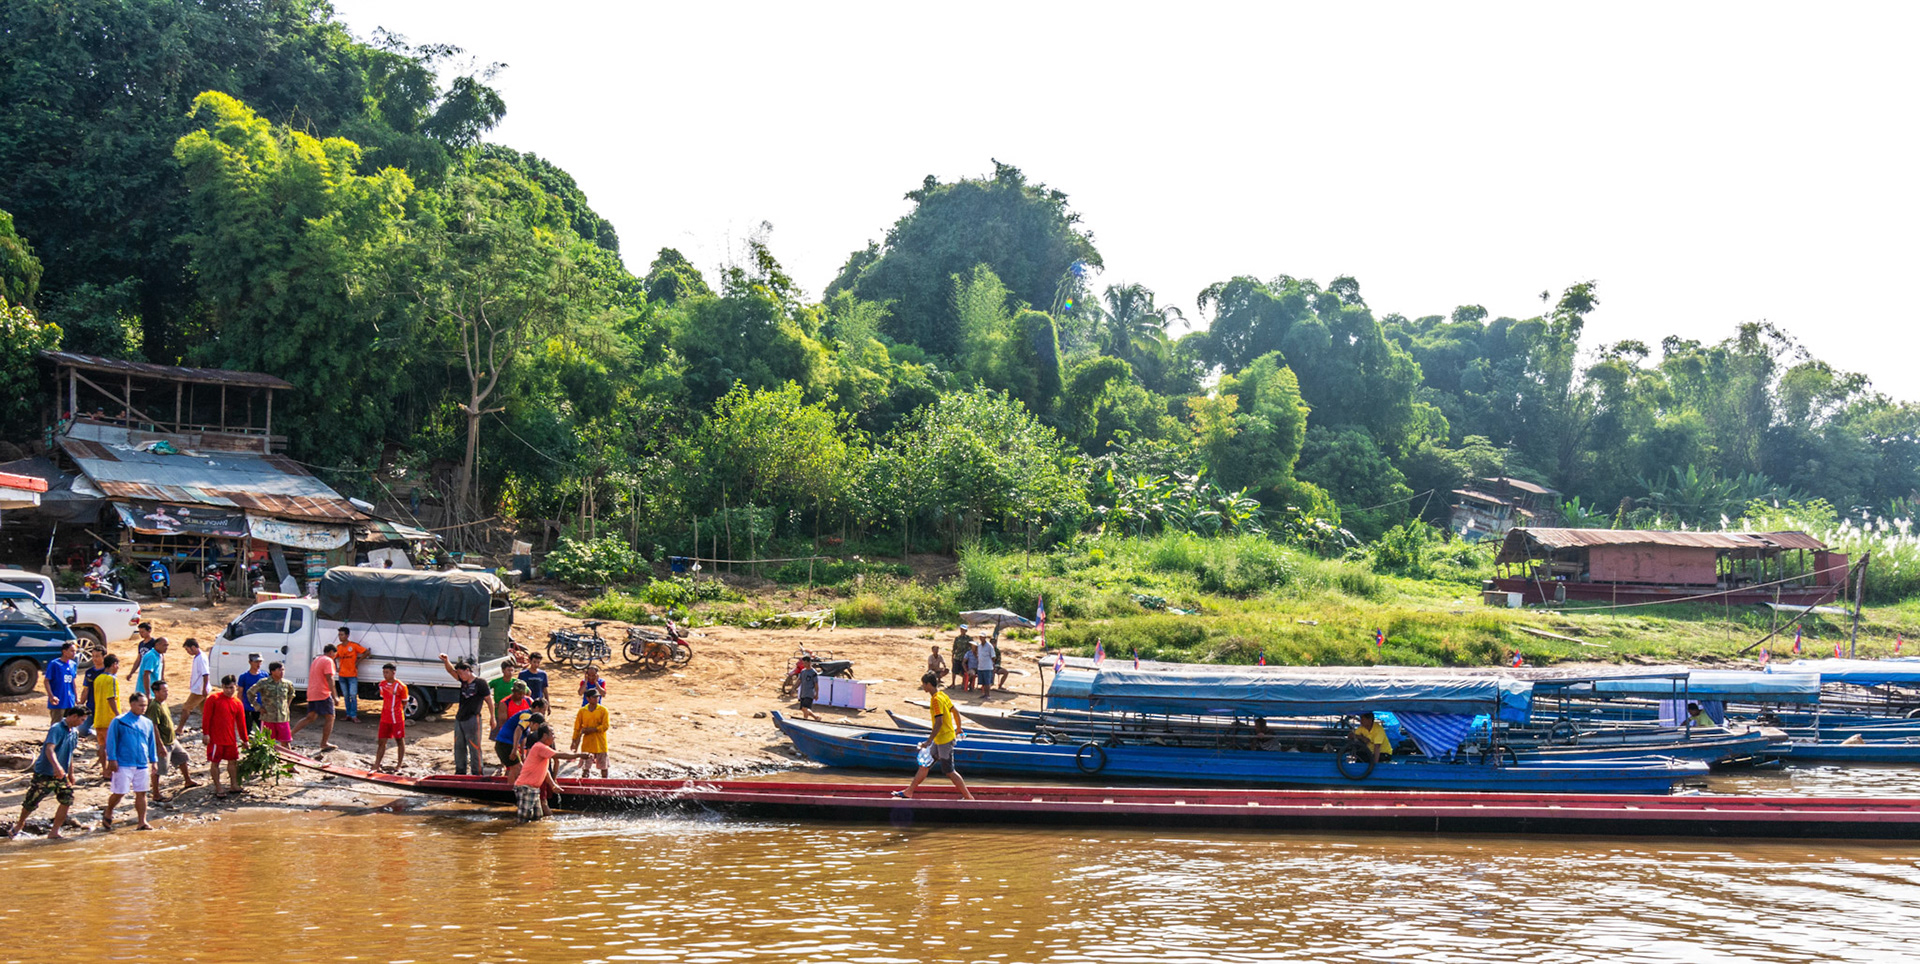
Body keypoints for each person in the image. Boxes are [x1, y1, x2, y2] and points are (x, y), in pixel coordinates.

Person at [8, 706, 86, 840]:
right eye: (82, 720)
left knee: (67, 800)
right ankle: (20, 824)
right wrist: (57, 767)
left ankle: (54, 831)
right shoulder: (57, 728)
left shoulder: (74, 732)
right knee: (31, 801)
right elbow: (49, 750)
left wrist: (70, 773)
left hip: (62, 774)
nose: (82, 723)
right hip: (45, 772)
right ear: (74, 717)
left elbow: (70, 754)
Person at [895, 671, 973, 800]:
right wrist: (958, 728)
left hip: (944, 741)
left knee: (949, 771)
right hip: (939, 740)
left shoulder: (936, 700)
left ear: (929, 684)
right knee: (924, 765)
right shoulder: (942, 695)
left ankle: (969, 798)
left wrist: (928, 741)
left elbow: (939, 722)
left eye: (924, 684)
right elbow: (955, 712)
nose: (923, 687)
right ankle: (909, 792)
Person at [103, 691, 158, 831]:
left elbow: (151, 743)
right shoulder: (119, 721)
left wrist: (154, 761)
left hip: (142, 763)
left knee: (142, 792)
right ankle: (109, 810)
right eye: (140, 705)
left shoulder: (147, 723)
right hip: (123, 763)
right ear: (132, 704)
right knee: (120, 792)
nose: (143, 708)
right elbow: (111, 741)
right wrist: (112, 759)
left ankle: (142, 822)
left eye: (145, 705)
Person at [514, 724, 591, 823]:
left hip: (533, 789)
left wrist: (553, 784)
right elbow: (559, 755)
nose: (554, 737)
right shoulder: (539, 747)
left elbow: (544, 771)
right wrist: (580, 755)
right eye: (552, 734)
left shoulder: (542, 749)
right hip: (526, 788)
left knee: (537, 817)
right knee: (523, 819)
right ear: (545, 736)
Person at [144, 680, 199, 801]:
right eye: (164, 691)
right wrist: (159, 745)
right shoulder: (154, 706)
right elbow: (154, 727)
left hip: (172, 739)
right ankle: (156, 793)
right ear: (156, 692)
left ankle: (188, 780)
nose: (166, 693)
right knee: (159, 768)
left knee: (183, 757)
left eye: (167, 691)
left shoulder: (163, 703)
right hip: (163, 742)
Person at [440, 654, 494, 776]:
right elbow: (450, 670)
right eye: (459, 674)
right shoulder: (462, 680)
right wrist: (446, 660)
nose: (460, 676)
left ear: (468, 671)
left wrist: (492, 717)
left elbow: (489, 700)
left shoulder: (481, 683)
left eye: (462, 673)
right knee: (459, 746)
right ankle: (460, 771)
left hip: (473, 718)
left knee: (474, 746)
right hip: (460, 718)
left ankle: (477, 772)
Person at [201, 675, 248, 797]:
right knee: (215, 762)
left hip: (231, 739)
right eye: (226, 688)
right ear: (222, 687)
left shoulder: (238, 703)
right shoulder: (213, 699)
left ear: (236, 687)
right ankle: (218, 787)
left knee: (233, 761)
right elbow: (206, 717)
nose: (229, 690)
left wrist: (245, 739)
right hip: (216, 738)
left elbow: (241, 722)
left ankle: (234, 785)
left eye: (231, 688)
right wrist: (206, 733)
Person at [289, 643, 339, 750]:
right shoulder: (328, 660)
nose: (335, 657)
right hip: (322, 693)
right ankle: (324, 743)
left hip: (312, 692)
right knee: (330, 717)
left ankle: (289, 735)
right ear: (331, 652)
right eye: (335, 654)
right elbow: (329, 678)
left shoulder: (317, 659)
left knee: (310, 717)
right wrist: (335, 696)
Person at [492, 691, 541, 780]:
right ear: (537, 708)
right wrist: (514, 750)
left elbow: (523, 737)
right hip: (505, 743)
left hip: (507, 743)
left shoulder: (530, 718)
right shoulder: (527, 716)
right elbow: (518, 730)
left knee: (516, 768)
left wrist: (522, 755)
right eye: (543, 710)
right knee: (516, 768)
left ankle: (510, 788)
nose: (544, 713)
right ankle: (511, 790)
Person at [247, 662, 296, 748]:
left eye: (283, 670)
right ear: (272, 671)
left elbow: (291, 695)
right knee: (267, 742)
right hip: (268, 717)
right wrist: (258, 707)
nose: (282, 672)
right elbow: (250, 693)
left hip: (282, 718)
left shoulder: (287, 684)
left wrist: (286, 706)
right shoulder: (264, 683)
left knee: (286, 742)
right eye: (279, 670)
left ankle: (288, 760)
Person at [89, 654, 123, 773]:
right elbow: (111, 698)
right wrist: (118, 715)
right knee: (112, 746)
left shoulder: (98, 679)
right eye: (117, 665)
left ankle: (104, 770)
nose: (118, 667)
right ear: (114, 664)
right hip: (110, 719)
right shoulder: (112, 679)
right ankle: (110, 770)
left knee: (102, 746)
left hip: (98, 718)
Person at [373, 663, 408, 771]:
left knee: (399, 740)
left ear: (393, 672)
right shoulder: (382, 685)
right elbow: (384, 697)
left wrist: (396, 710)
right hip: (385, 717)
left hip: (397, 718)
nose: (385, 675)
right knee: (381, 741)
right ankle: (377, 764)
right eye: (383, 672)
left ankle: (399, 765)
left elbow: (404, 702)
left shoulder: (401, 686)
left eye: (387, 672)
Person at [332, 627, 370, 723]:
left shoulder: (353, 646)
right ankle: (348, 714)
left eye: (342, 634)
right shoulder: (339, 647)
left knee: (353, 695)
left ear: (347, 635)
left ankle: (354, 715)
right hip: (342, 675)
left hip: (352, 675)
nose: (340, 637)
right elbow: (332, 657)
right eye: (339, 635)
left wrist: (358, 661)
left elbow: (367, 652)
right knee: (346, 696)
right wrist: (335, 667)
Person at [571, 686, 610, 778]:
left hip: (600, 743)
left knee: (604, 767)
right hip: (587, 744)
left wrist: (593, 729)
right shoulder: (582, 711)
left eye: (597, 697)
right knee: (585, 768)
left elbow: (605, 726)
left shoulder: (603, 710)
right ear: (588, 698)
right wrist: (574, 741)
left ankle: (605, 785)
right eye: (594, 697)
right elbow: (577, 728)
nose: (597, 699)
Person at [42, 641, 79, 724]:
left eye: (75, 651)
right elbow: (46, 681)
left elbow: (73, 682)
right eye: (72, 651)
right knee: (57, 724)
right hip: (58, 700)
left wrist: (76, 697)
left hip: (70, 700)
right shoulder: (55, 664)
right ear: (64, 652)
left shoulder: (73, 665)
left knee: (70, 724)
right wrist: (51, 696)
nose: (74, 653)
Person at [177, 638, 210, 730]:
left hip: (199, 689)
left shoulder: (201, 658)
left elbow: (206, 673)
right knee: (205, 710)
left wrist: (204, 688)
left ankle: (180, 728)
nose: (188, 652)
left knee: (186, 708)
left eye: (188, 650)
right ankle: (207, 727)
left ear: (193, 647)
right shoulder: (199, 657)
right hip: (200, 688)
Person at [79, 646, 109, 742]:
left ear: (104, 657)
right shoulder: (89, 672)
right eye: (93, 656)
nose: (95, 659)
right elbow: (85, 689)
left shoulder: (108, 672)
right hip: (91, 706)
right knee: (82, 730)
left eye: (97, 656)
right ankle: (95, 736)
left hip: (103, 706)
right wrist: (80, 703)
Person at [236, 654, 267, 732]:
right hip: (247, 707)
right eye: (256, 662)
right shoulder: (244, 676)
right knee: (247, 729)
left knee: (263, 730)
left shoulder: (264, 675)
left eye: (260, 662)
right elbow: (240, 692)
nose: (258, 664)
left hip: (261, 708)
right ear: (250, 662)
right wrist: (239, 707)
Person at [794, 655, 822, 722]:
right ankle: (816, 717)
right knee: (803, 709)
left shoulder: (813, 673)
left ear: (809, 662)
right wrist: (794, 688)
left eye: (805, 663)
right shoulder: (803, 671)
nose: (804, 665)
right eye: (803, 663)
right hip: (803, 693)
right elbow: (799, 681)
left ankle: (805, 720)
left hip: (809, 693)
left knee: (805, 708)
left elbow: (816, 684)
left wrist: (816, 694)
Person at [971, 634, 997, 698]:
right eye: (980, 637)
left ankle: (988, 694)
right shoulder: (979, 646)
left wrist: (992, 664)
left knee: (987, 682)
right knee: (982, 682)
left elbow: (993, 656)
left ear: (985, 638)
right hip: (980, 666)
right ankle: (984, 693)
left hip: (987, 666)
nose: (981, 638)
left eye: (983, 637)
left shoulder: (989, 646)